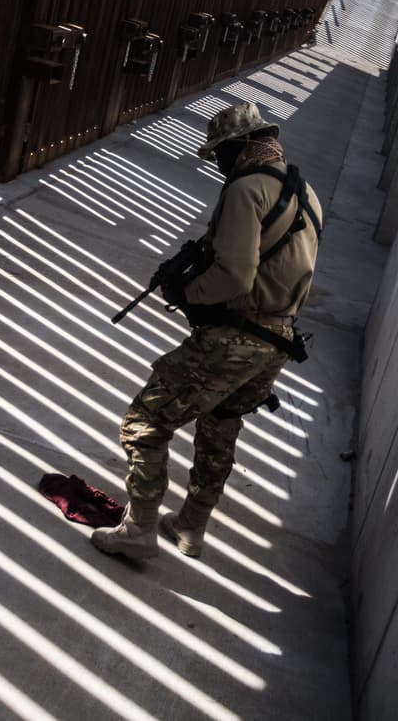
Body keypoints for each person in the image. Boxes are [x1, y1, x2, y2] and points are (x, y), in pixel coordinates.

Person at [92, 102, 322, 560]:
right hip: (277, 340)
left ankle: (138, 531)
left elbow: (234, 275)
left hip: (234, 339)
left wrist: (188, 293)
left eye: (219, 153)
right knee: (220, 423)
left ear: (238, 147)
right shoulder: (305, 192)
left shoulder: (245, 188)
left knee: (145, 422)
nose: (217, 163)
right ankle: (190, 526)